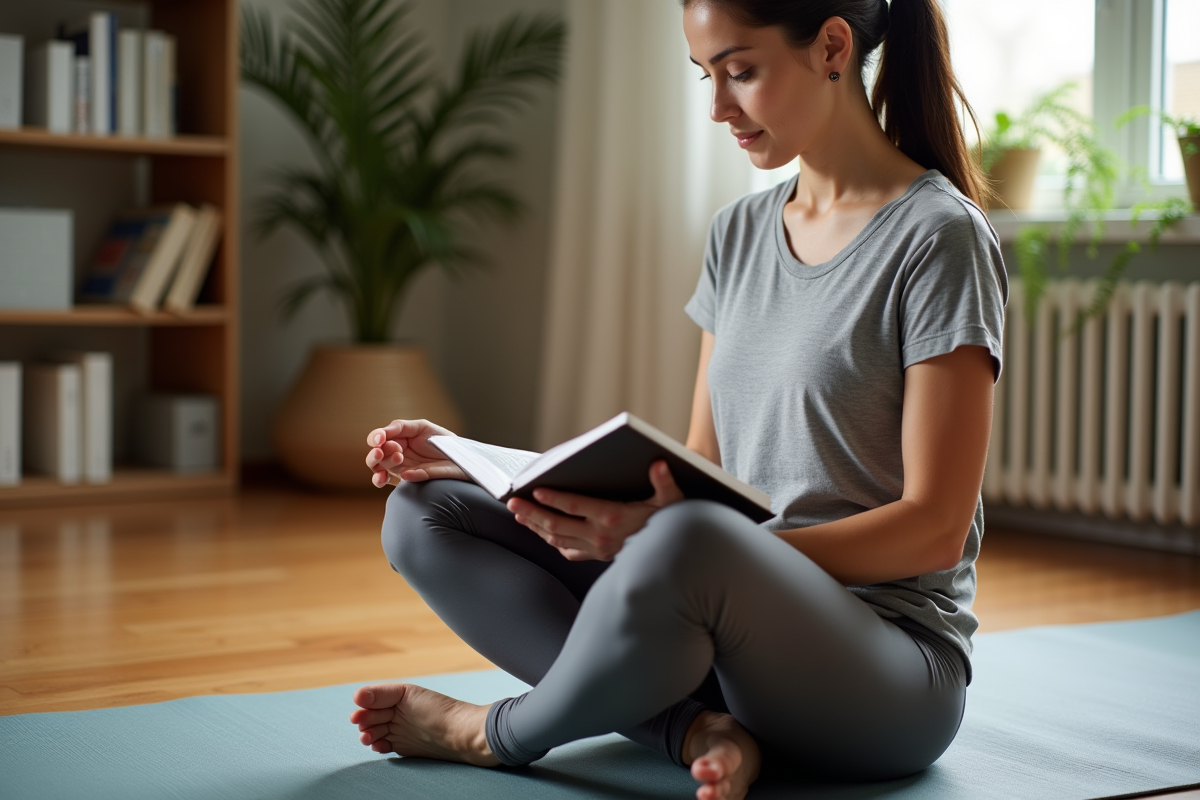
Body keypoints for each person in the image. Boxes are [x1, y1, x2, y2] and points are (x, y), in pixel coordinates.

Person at [350, 0, 1007, 798]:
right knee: (426, 511)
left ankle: (493, 734)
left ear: (833, 45)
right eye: (706, 76)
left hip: (886, 675)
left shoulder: (939, 237)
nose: (717, 107)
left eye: (740, 72)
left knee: (690, 540)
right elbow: (702, 477)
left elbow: (935, 530)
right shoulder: (738, 232)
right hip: (721, 636)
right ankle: (694, 731)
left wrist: (702, 551)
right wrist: (476, 459)